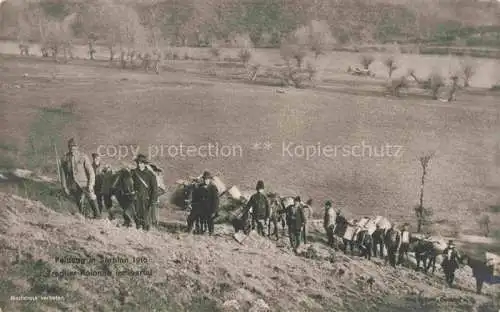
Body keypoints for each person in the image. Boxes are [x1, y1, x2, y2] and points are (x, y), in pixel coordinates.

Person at [60, 138, 100, 219]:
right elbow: (63, 174)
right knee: (78, 200)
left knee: (91, 196)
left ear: (77, 147)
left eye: (74, 146)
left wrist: (91, 185)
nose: (72, 148)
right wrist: (64, 186)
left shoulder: (83, 156)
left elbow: (91, 172)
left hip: (84, 183)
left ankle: (98, 216)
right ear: (68, 147)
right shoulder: (65, 158)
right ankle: (83, 217)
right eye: (70, 146)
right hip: (73, 184)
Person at [130, 154, 158, 231]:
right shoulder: (133, 173)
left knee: (146, 216)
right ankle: (138, 229)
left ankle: (146, 230)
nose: (139, 164)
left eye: (141, 163)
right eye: (138, 163)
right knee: (137, 214)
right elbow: (130, 184)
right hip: (136, 197)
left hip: (146, 198)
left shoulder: (151, 175)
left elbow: (154, 189)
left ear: (145, 164)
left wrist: (153, 200)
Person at [191, 171, 219, 235]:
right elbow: (197, 197)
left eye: (207, 179)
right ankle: (201, 231)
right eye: (204, 179)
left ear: (209, 179)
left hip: (210, 208)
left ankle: (211, 233)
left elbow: (216, 200)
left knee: (210, 221)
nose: (205, 180)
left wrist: (214, 210)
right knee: (201, 220)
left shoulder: (213, 187)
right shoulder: (200, 186)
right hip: (202, 208)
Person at [91, 153, 114, 219]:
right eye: (95, 158)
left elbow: (109, 173)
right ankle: (99, 215)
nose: (96, 160)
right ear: (93, 159)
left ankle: (112, 216)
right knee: (98, 202)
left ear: (99, 159)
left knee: (108, 202)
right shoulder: (90, 167)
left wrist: (108, 169)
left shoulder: (103, 166)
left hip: (104, 186)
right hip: (96, 186)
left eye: (98, 158)